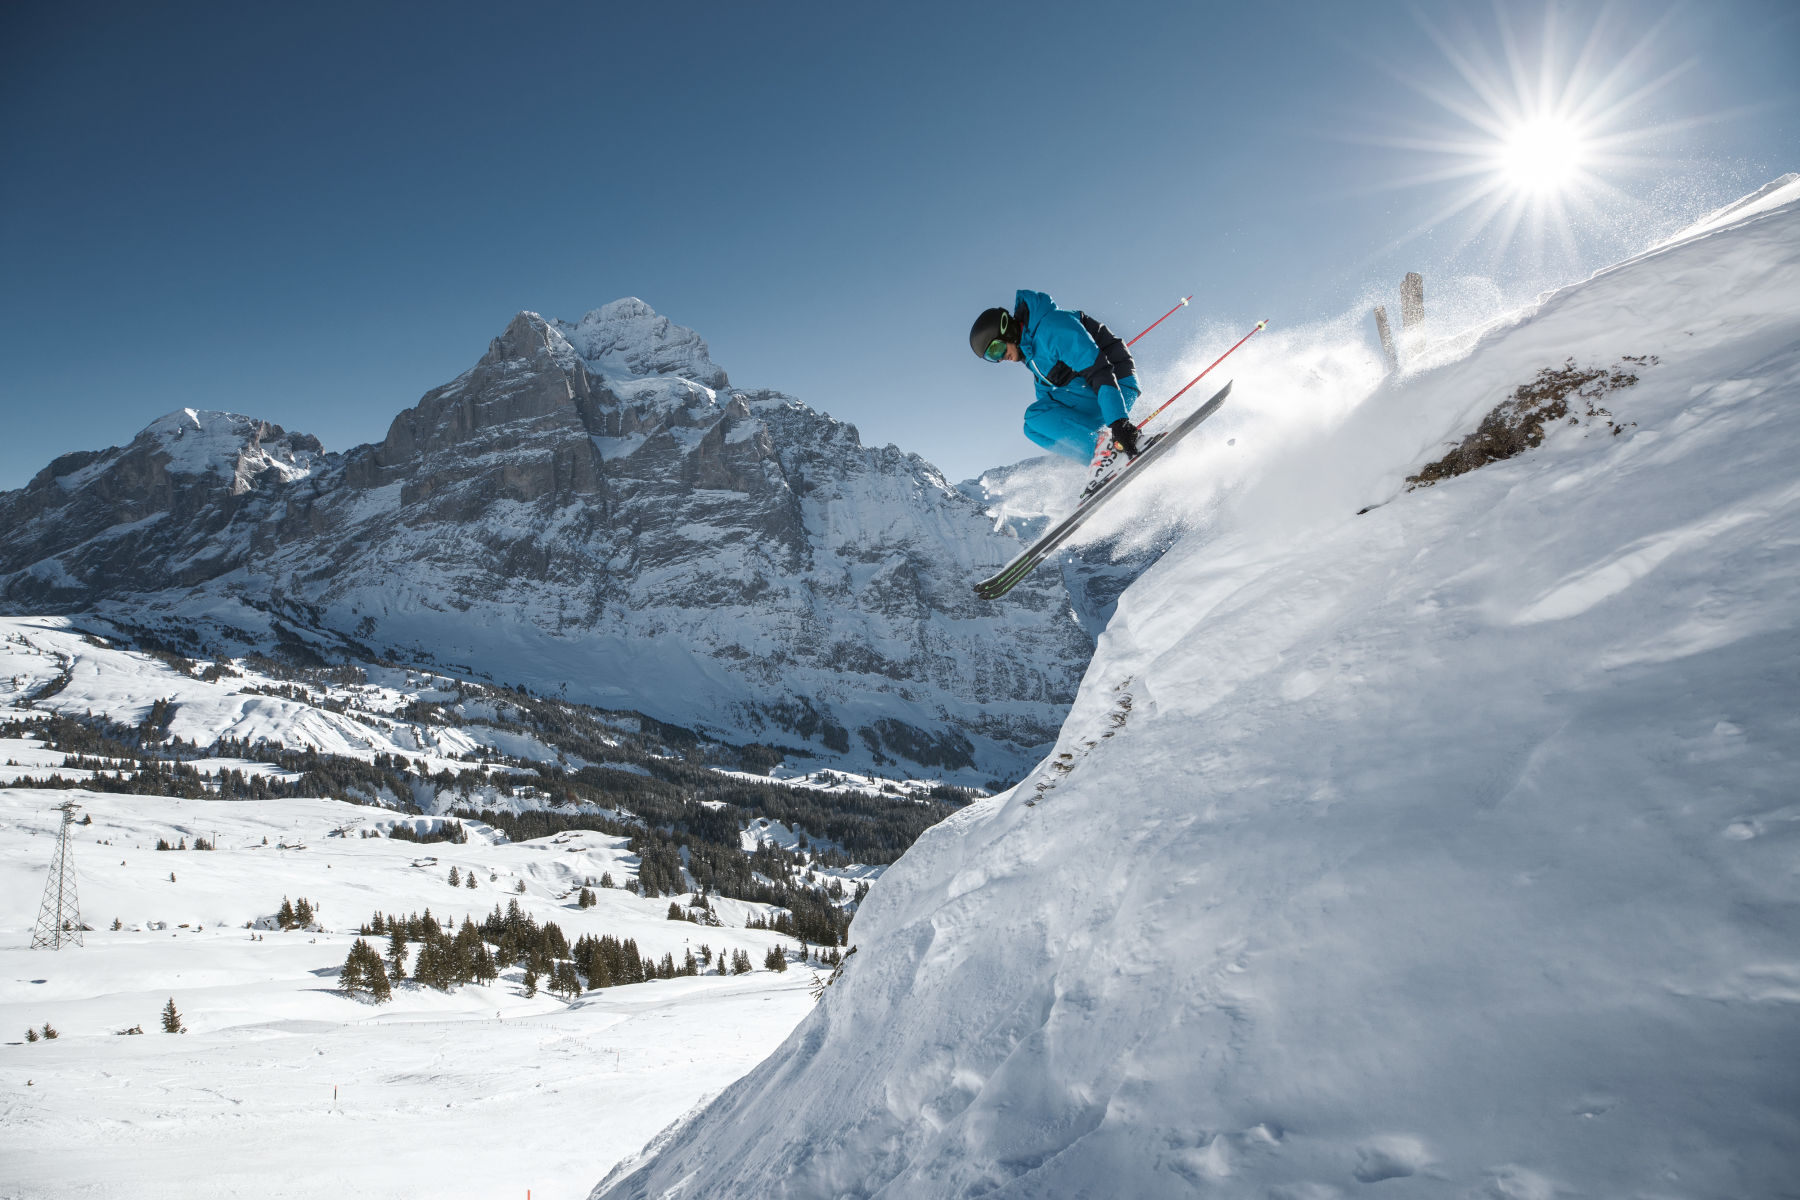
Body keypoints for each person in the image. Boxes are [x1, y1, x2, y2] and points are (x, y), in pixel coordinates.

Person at [969, 289, 1153, 493]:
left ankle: (1107, 452)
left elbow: (1098, 369)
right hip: (1096, 397)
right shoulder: (1032, 356)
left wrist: (1118, 422)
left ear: (1007, 330)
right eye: (992, 357)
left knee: (1034, 417)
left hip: (1117, 385)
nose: (1001, 358)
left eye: (996, 350)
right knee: (1032, 428)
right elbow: (1051, 405)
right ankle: (1102, 460)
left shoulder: (1052, 327)